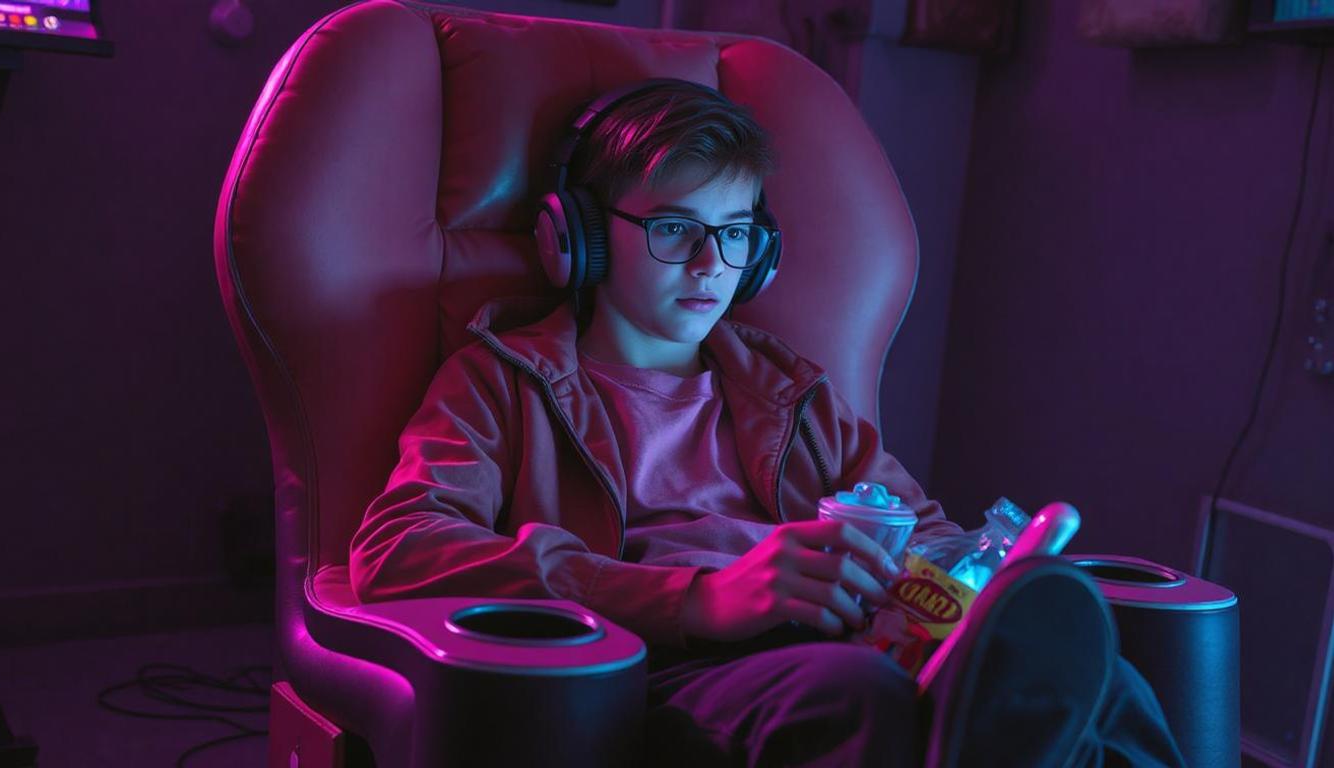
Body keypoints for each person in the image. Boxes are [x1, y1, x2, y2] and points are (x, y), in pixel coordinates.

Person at [348, 79, 1185, 767]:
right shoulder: (501, 378)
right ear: (584, 237)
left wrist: (972, 577)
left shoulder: (791, 392)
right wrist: (698, 600)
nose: (713, 264)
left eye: (737, 233)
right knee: (856, 697)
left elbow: (921, 529)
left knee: (1108, 678)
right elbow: (396, 548)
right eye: (676, 229)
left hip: (858, 647)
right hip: (671, 672)